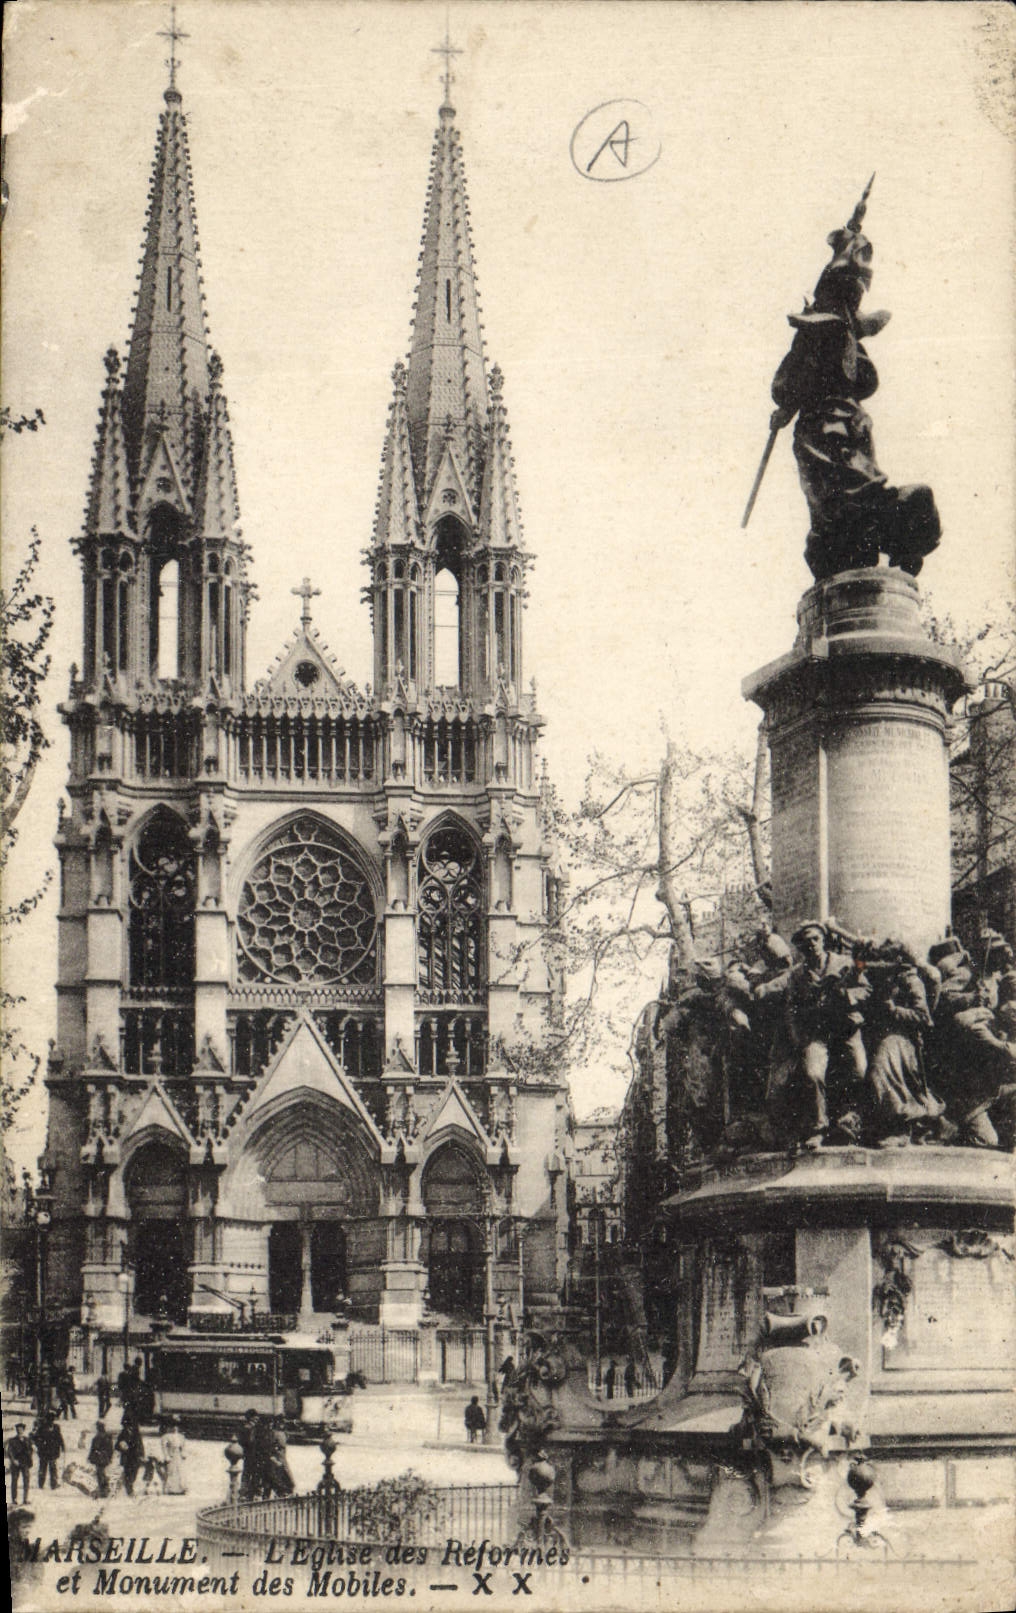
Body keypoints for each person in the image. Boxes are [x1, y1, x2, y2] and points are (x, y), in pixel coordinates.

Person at [757, 921, 868, 1149]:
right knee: (812, 1072)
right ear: (800, 947)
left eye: (816, 939)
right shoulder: (797, 975)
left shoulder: (845, 963)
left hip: (846, 1029)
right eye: (806, 942)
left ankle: (852, 1120)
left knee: (859, 1068)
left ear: (824, 940)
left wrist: (847, 997)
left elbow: (866, 988)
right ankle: (818, 1127)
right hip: (817, 1033)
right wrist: (800, 1038)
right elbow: (791, 1009)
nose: (812, 945)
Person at [33, 1413, 64, 1490]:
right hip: (44, 1452)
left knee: (53, 1468)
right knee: (43, 1467)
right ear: (46, 1420)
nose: (51, 1422)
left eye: (52, 1420)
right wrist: (40, 1445)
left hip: (53, 1451)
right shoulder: (41, 1428)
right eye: (49, 1420)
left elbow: (59, 1437)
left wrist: (62, 1446)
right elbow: (36, 1439)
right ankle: (41, 1484)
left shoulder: (56, 1427)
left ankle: (53, 1484)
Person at [116, 1415, 144, 1498]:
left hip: (135, 1457)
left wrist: (142, 1454)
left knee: (134, 1473)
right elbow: (117, 1445)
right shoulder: (123, 1433)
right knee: (128, 1473)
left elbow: (140, 1445)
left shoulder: (136, 1433)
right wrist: (122, 1446)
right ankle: (129, 1490)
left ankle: (129, 1486)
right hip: (127, 1457)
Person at [264, 1417, 294, 1498]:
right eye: (280, 1423)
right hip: (275, 1460)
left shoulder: (283, 1433)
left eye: (283, 1423)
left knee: (285, 1480)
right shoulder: (273, 1434)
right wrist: (273, 1459)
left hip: (282, 1459)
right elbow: (269, 1448)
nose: (282, 1425)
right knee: (275, 1480)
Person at [6, 1422, 33, 1504]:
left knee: (26, 1481)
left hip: (25, 1463)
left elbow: (30, 1450)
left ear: (23, 1430)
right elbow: (9, 1452)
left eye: (21, 1429)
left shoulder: (27, 1440)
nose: (19, 1431)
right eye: (18, 1430)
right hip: (16, 1463)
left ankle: (25, 1499)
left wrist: (29, 1459)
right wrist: (14, 1460)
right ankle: (14, 1499)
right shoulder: (12, 1440)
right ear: (16, 1430)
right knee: (14, 1481)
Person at [160, 1415, 187, 1495]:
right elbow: (164, 1447)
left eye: (177, 1426)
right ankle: (170, 1489)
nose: (175, 1428)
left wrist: (183, 1454)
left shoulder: (181, 1436)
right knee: (171, 1472)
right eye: (173, 1426)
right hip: (171, 1455)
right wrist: (166, 1456)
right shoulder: (166, 1437)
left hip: (178, 1455)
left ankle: (180, 1488)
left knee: (179, 1471)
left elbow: (183, 1447)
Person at [88, 1421, 114, 1498]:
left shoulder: (98, 1437)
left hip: (99, 1458)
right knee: (101, 1473)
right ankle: (105, 1488)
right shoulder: (107, 1437)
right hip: (104, 1458)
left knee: (100, 1473)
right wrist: (110, 1457)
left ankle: (104, 1489)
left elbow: (93, 1448)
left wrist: (91, 1457)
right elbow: (111, 1449)